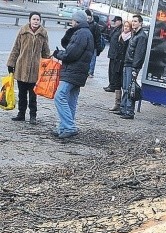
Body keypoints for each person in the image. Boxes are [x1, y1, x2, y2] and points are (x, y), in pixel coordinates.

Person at [52, 10, 93, 138]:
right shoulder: (87, 33)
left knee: (60, 96)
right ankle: (64, 127)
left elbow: (71, 54)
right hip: (79, 72)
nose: (71, 22)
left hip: (72, 71)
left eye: (72, 20)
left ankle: (69, 126)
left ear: (77, 21)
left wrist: (58, 54)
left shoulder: (81, 33)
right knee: (71, 101)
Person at [7, 12, 51, 124]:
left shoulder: (43, 34)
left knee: (33, 96)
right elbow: (16, 48)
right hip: (21, 68)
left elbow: (46, 52)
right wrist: (11, 63)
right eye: (34, 19)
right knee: (21, 94)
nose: (36, 21)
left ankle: (33, 116)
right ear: (30, 20)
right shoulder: (23, 31)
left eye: (38, 19)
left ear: (40, 21)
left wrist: (47, 65)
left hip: (35, 71)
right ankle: (21, 114)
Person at [118, 14, 147, 120]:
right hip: (127, 63)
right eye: (133, 21)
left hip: (132, 65)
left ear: (140, 23)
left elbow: (139, 53)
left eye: (135, 21)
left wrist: (135, 68)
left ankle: (129, 111)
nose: (133, 23)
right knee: (126, 88)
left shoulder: (141, 36)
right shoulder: (134, 34)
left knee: (130, 89)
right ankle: (123, 108)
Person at [109, 20, 131, 113]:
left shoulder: (131, 38)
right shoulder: (120, 36)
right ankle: (117, 103)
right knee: (117, 83)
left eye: (127, 26)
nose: (125, 28)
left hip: (125, 63)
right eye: (125, 26)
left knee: (125, 85)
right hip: (117, 62)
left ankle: (124, 105)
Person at [103, 16, 123, 92]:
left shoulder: (121, 30)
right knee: (110, 70)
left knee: (113, 71)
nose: (115, 22)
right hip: (112, 52)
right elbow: (109, 36)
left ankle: (112, 86)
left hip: (116, 54)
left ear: (120, 21)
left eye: (116, 21)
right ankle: (110, 84)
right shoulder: (115, 29)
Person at [85, 9, 102, 77]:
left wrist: (98, 48)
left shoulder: (95, 25)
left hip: (93, 45)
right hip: (85, 45)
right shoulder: (84, 23)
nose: (87, 19)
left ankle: (90, 72)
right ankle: (86, 71)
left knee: (92, 59)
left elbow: (98, 37)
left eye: (88, 17)